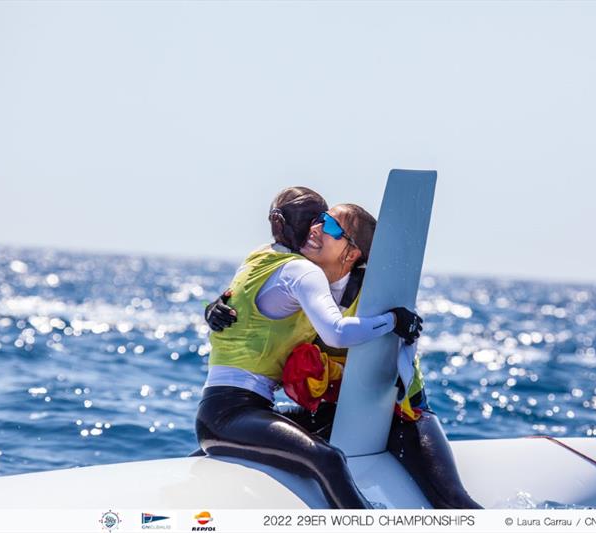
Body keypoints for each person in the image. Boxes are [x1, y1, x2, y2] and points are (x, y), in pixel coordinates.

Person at [205, 187, 482, 509]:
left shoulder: (376, 294)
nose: (315, 228)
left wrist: (400, 326)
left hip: (401, 413)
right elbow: (255, 312)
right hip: (337, 412)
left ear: (351, 253)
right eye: (318, 220)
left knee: (450, 498)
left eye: (331, 227)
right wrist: (215, 309)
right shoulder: (300, 284)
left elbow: (394, 350)